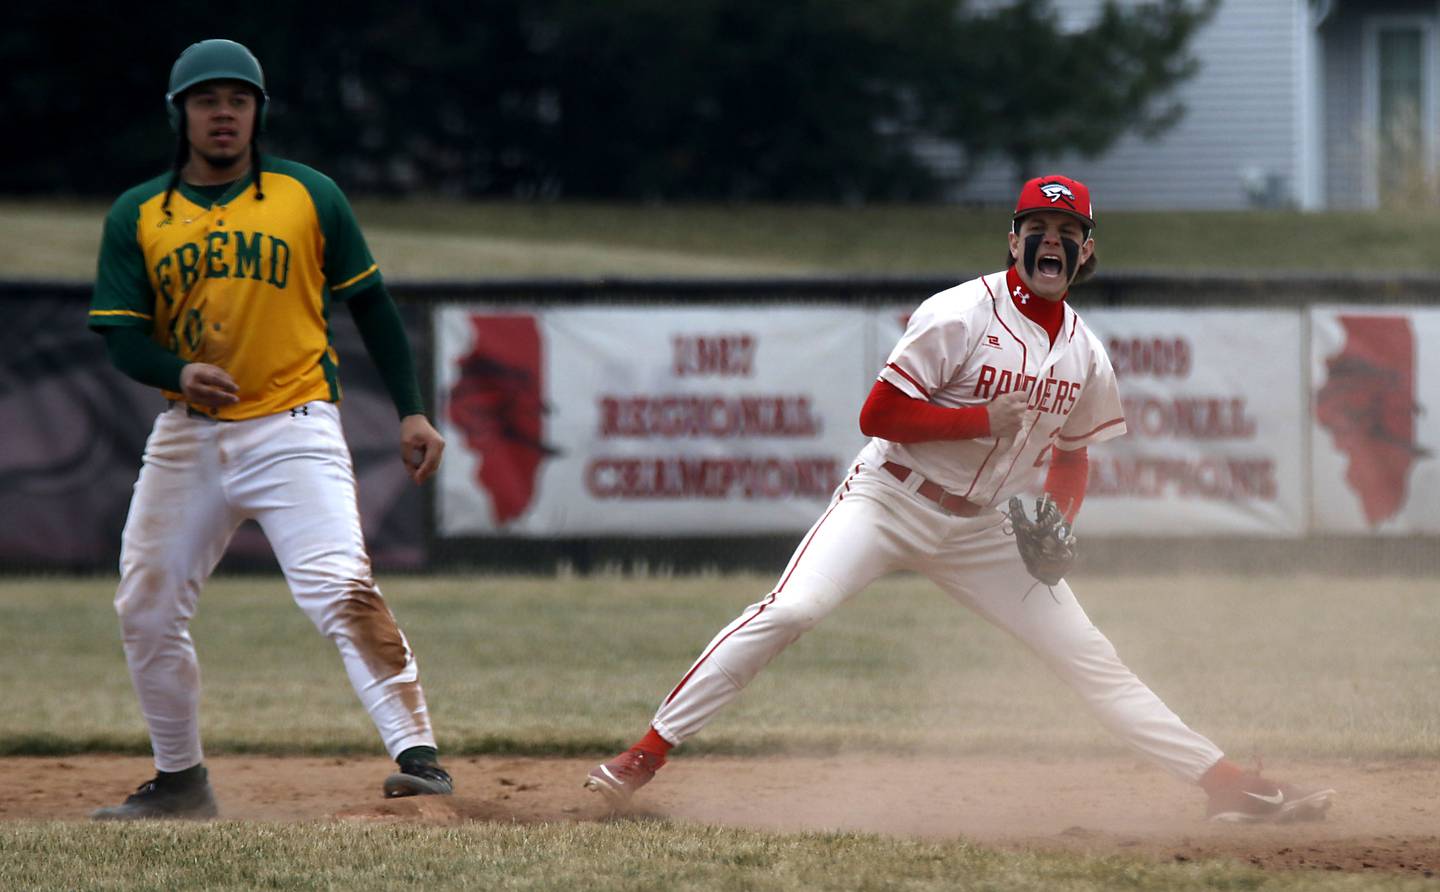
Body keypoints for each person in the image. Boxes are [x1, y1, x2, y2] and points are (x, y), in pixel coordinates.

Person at [585, 175, 1335, 824]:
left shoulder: (1084, 351)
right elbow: (877, 416)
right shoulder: (958, 314)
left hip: (986, 534)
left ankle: (1226, 784)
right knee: (793, 609)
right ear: (1012, 243)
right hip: (889, 499)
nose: (1052, 242)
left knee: (1092, 659)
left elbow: (1072, 456)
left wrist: (1057, 525)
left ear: (1089, 252)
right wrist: (977, 418)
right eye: (1037, 229)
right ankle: (646, 754)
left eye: (1068, 232)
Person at [88, 39, 452, 819]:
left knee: (338, 588)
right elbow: (120, 335)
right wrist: (176, 370)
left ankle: (419, 757)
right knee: (144, 608)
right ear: (179, 115)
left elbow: (373, 305)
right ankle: (181, 782)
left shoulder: (308, 195)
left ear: (258, 112)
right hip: (189, 435)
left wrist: (412, 408)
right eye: (206, 100)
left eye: (239, 99)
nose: (224, 113)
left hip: (294, 426)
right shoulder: (140, 214)